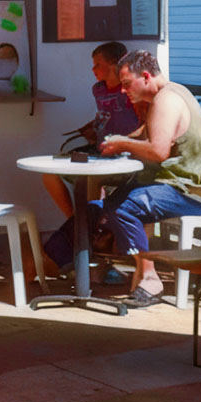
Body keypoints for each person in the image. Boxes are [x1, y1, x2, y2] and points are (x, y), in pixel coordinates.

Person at [95, 49, 201, 308]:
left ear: (146, 76)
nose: (122, 91)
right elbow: (148, 134)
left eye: (127, 84)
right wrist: (123, 141)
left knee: (121, 207)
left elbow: (159, 151)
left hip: (190, 192)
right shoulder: (173, 91)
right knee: (115, 200)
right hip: (188, 187)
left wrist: (122, 145)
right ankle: (142, 271)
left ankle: (151, 278)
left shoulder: (166, 100)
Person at [35, 41, 141, 275]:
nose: (93, 70)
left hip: (125, 155)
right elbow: (105, 116)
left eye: (98, 65)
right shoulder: (98, 89)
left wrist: (123, 141)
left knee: (94, 183)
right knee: (50, 173)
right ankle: (81, 226)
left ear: (117, 64)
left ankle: (88, 236)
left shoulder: (130, 90)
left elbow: (143, 125)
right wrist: (94, 127)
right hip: (99, 149)